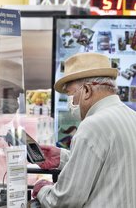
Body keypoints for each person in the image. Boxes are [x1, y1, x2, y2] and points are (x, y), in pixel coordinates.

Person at [33, 52, 136, 207]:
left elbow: (66, 199)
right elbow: (110, 163)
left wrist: (42, 190)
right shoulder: (131, 116)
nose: (71, 102)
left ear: (87, 90)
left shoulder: (93, 125)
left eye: (70, 94)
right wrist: (62, 157)